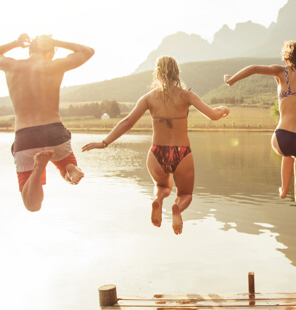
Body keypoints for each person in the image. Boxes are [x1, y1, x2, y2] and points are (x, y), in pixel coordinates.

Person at [82, 56, 230, 235]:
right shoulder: (187, 96)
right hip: (181, 152)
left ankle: (158, 200)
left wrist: (104, 142)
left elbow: (127, 122)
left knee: (162, 187)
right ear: (177, 72)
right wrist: (223, 109)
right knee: (185, 195)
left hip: (157, 153)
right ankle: (177, 208)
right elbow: (213, 115)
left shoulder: (149, 98)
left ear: (157, 73)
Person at [223, 41, 296, 206]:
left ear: (287, 60)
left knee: (287, 154)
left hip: (282, 137)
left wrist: (231, 80)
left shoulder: (281, 72)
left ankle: (284, 189)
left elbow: (253, 68)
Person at [0, 34, 94, 212]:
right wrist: (56, 42)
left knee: (32, 205)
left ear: (30, 50)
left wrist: (15, 43)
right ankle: (71, 169)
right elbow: (88, 51)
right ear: (50, 52)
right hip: (55, 134)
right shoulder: (55, 66)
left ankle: (38, 170)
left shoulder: (12, 66)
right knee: (66, 168)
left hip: (26, 138)